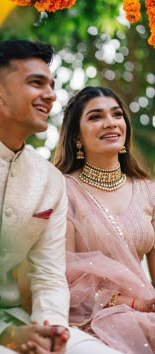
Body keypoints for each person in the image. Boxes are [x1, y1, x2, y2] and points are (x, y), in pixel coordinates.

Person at [0, 41, 124, 354]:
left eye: (52, 85)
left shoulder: (50, 180)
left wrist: (52, 330)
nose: (51, 94)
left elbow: (49, 276)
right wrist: (4, 334)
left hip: (19, 319)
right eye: (36, 83)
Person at [54, 86, 155, 354]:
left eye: (117, 115)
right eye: (96, 117)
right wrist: (131, 303)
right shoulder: (62, 190)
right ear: (77, 135)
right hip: (92, 319)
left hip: (147, 313)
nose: (110, 123)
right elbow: (63, 279)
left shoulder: (149, 190)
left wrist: (147, 305)